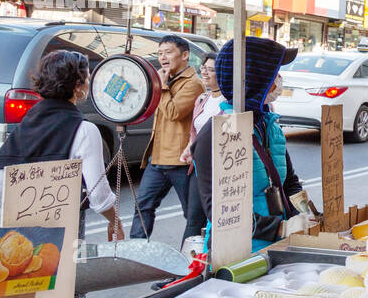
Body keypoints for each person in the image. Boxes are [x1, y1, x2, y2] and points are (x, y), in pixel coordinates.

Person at [0, 51, 123, 298]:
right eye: (86, 77)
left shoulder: (25, 126)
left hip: (13, 241)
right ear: (78, 85)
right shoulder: (84, 130)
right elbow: (99, 196)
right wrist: (115, 221)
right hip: (59, 240)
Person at [191, 38, 317, 253]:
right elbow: (220, 211)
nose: (279, 80)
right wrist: (279, 228)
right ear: (254, 79)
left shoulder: (270, 126)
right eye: (274, 73)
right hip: (236, 252)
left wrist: (304, 214)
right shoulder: (217, 134)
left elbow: (289, 183)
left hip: (279, 247)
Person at [130, 35, 203, 241]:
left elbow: (173, 112)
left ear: (185, 55)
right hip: (157, 158)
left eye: (168, 52)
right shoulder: (164, 80)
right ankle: (136, 251)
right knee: (143, 206)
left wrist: (162, 87)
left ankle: (195, 255)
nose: (162, 57)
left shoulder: (193, 84)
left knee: (192, 214)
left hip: (180, 161)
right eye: (160, 53)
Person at [181, 52, 222, 246]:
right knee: (193, 219)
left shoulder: (232, 103)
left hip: (220, 171)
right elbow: (194, 133)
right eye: (204, 68)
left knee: (216, 219)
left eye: (211, 70)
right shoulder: (202, 99)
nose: (205, 73)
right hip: (198, 170)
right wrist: (189, 148)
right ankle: (187, 264)